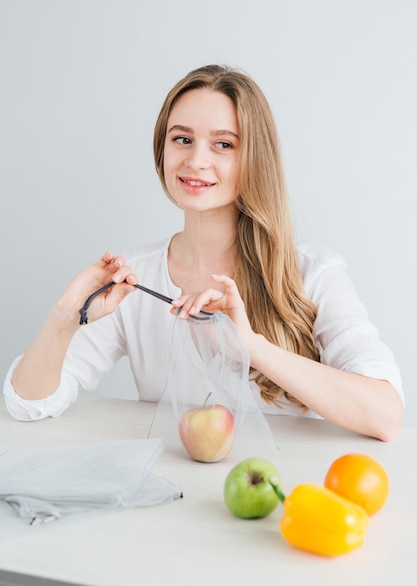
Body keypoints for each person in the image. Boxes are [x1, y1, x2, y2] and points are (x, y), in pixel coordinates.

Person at [3, 64, 404, 441]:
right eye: (182, 139)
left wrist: (251, 347)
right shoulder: (133, 281)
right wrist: (63, 320)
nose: (196, 160)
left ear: (254, 158)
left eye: (223, 144)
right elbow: (28, 405)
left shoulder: (311, 272)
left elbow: (385, 414)